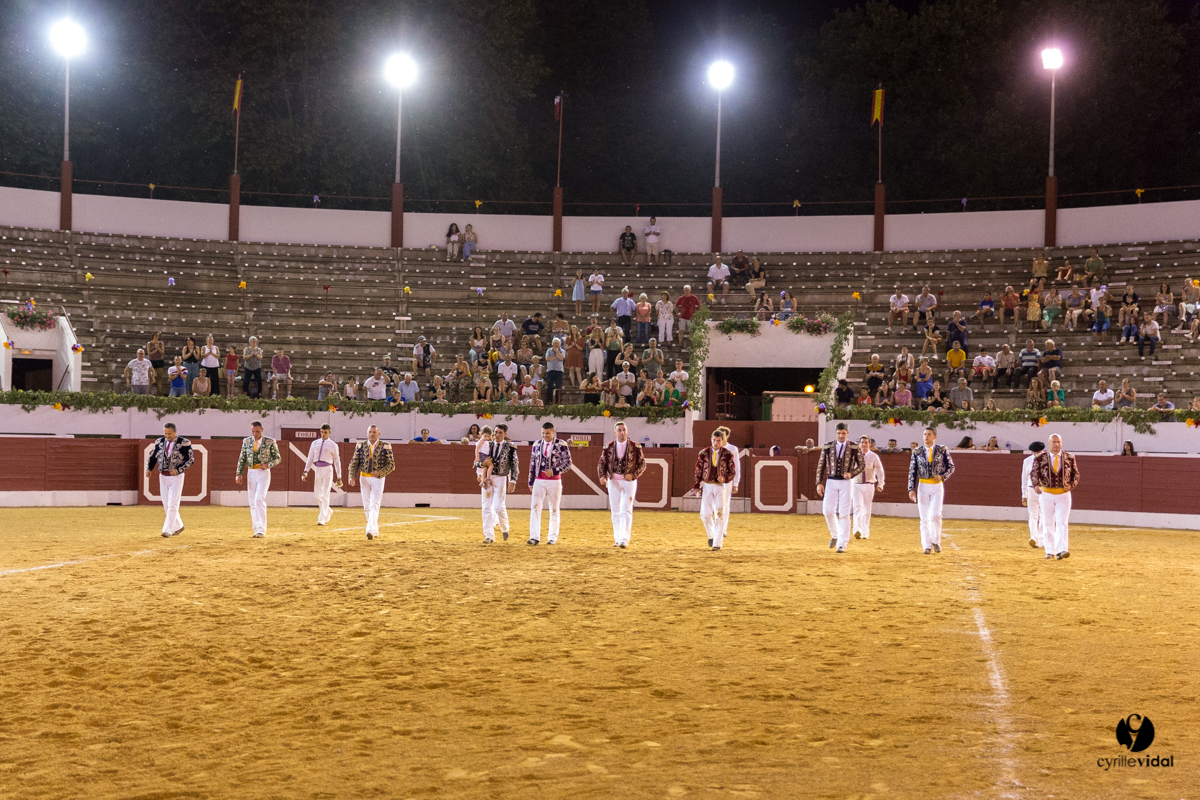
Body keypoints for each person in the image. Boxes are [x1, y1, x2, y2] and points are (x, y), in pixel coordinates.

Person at [816, 423, 865, 553]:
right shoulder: (827, 446)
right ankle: (836, 535)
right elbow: (821, 465)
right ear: (835, 432)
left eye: (843, 433)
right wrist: (819, 483)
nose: (841, 435)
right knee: (827, 510)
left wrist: (851, 474)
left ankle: (842, 544)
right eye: (839, 433)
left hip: (846, 482)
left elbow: (861, 464)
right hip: (831, 481)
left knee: (844, 513)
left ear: (847, 433)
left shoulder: (854, 446)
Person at [597, 421, 647, 548]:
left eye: (624, 429)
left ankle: (624, 539)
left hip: (628, 482)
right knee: (615, 511)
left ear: (627, 431)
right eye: (619, 430)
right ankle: (618, 538)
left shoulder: (636, 447)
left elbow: (642, 464)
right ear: (615, 432)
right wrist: (602, 476)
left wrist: (633, 475)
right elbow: (601, 463)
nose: (622, 432)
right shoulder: (608, 447)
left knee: (626, 509)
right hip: (613, 481)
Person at [1031, 434, 1080, 560]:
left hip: (1063, 494)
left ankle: (1062, 549)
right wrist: (1036, 485)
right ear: (1049, 443)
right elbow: (1034, 473)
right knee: (1047, 523)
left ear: (1061, 443)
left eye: (1058, 442)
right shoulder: (1040, 458)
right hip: (1046, 494)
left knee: (1062, 522)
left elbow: (1076, 474)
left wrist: (1071, 485)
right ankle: (1049, 551)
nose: (1056, 444)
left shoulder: (1069, 457)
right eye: (1053, 442)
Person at [907, 428, 955, 554]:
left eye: (929, 434)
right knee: (924, 518)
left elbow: (951, 467)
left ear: (935, 437)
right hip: (922, 486)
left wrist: (943, 476)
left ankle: (936, 541)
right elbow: (912, 471)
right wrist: (911, 488)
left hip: (937, 486)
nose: (926, 436)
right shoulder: (917, 451)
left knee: (936, 515)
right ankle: (926, 546)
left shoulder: (942, 449)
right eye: (924, 434)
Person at [346, 425, 395, 540]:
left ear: (379, 434)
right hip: (364, 478)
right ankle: (374, 530)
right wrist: (352, 476)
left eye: (374, 432)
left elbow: (391, 464)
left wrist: (380, 473)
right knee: (366, 505)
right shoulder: (360, 445)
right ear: (367, 433)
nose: (372, 434)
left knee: (374, 504)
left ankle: (369, 530)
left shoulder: (385, 445)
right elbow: (354, 462)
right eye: (370, 432)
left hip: (378, 479)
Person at [145, 422, 194, 538]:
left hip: (176, 477)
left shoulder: (184, 443)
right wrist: (149, 468)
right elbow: (153, 456)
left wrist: (178, 470)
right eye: (165, 433)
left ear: (175, 432)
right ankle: (179, 526)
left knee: (172, 504)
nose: (167, 436)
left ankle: (167, 530)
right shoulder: (159, 442)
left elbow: (191, 460)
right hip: (162, 476)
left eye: (169, 433)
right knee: (167, 505)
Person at [527, 422, 573, 545]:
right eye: (543, 433)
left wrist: (554, 471)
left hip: (554, 481)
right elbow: (532, 463)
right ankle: (534, 536)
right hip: (539, 480)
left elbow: (568, 464)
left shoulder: (561, 444)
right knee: (535, 506)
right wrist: (531, 482)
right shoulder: (536, 444)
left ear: (553, 432)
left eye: (547, 433)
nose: (545, 435)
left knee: (554, 509)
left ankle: (552, 537)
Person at [235, 421, 281, 538]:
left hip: (263, 473)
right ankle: (256, 528)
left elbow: (278, 458)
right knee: (252, 502)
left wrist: (268, 465)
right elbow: (242, 458)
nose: (255, 434)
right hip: (251, 473)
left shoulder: (270, 441)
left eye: (257, 431)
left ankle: (261, 529)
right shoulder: (247, 441)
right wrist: (239, 473)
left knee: (259, 499)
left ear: (262, 430)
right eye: (253, 431)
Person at [691, 429, 736, 551]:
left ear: (722, 441)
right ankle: (711, 535)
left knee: (719, 513)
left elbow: (732, 472)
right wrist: (696, 487)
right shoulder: (703, 453)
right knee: (705, 515)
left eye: (718, 441)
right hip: (707, 486)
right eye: (713, 440)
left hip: (720, 487)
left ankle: (717, 543)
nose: (715, 443)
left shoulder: (728, 454)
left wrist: (725, 478)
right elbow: (698, 471)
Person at [301, 423, 343, 526]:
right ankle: (327, 510)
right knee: (317, 495)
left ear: (329, 433)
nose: (323, 434)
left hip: (328, 469)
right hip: (317, 469)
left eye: (325, 432)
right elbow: (310, 458)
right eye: (322, 432)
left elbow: (337, 461)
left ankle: (322, 518)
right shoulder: (315, 443)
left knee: (325, 493)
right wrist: (306, 471)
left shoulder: (333, 445)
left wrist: (339, 476)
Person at [851, 435, 885, 541]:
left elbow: (880, 471)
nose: (864, 444)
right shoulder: (854, 456)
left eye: (866, 442)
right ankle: (857, 530)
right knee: (857, 508)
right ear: (859, 444)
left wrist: (880, 484)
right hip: (856, 484)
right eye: (862, 442)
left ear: (869, 444)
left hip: (869, 485)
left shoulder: (874, 456)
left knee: (867, 509)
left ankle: (865, 532)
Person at [1021, 441, 1045, 551]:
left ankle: (1041, 538)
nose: (1036, 454)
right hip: (1031, 490)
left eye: (1038, 452)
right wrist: (1024, 494)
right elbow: (1024, 478)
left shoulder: (1048, 460)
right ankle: (1034, 538)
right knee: (1033, 515)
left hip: (1045, 490)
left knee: (1044, 515)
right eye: (1034, 452)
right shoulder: (1027, 461)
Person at [544, 338, 565, 403]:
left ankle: (557, 400)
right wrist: (556, 356)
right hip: (550, 370)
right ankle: (549, 400)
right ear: (552, 344)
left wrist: (557, 352)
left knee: (558, 386)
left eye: (557, 343)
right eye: (555, 343)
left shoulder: (562, 351)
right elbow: (547, 358)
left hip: (559, 371)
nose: (556, 345)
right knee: (549, 385)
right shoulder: (549, 350)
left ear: (559, 344)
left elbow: (561, 358)